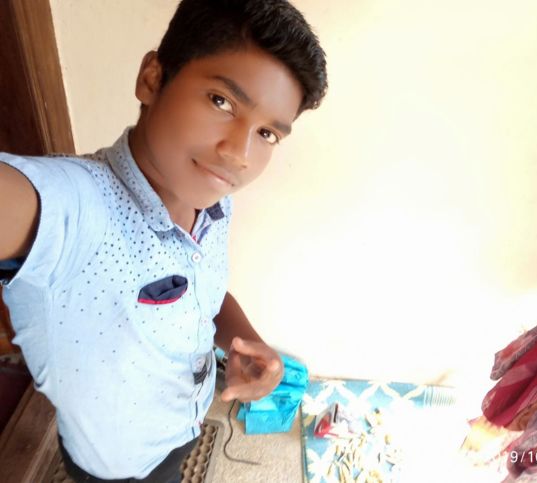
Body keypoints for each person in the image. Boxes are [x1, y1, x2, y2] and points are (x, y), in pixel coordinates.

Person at [0, 0, 328, 481]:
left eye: (266, 134)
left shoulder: (214, 203)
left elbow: (203, 293)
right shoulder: (76, 208)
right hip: (119, 466)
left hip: (185, 422)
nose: (238, 153)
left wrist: (249, 344)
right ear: (152, 79)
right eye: (221, 101)